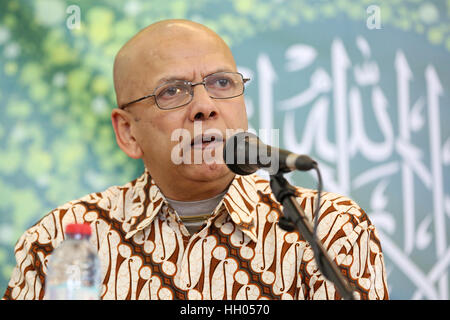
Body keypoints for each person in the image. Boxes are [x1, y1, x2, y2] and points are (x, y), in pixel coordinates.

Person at [3, 19, 389, 300]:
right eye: (172, 92)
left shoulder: (329, 228)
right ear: (127, 132)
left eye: (222, 83)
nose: (205, 107)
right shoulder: (59, 242)